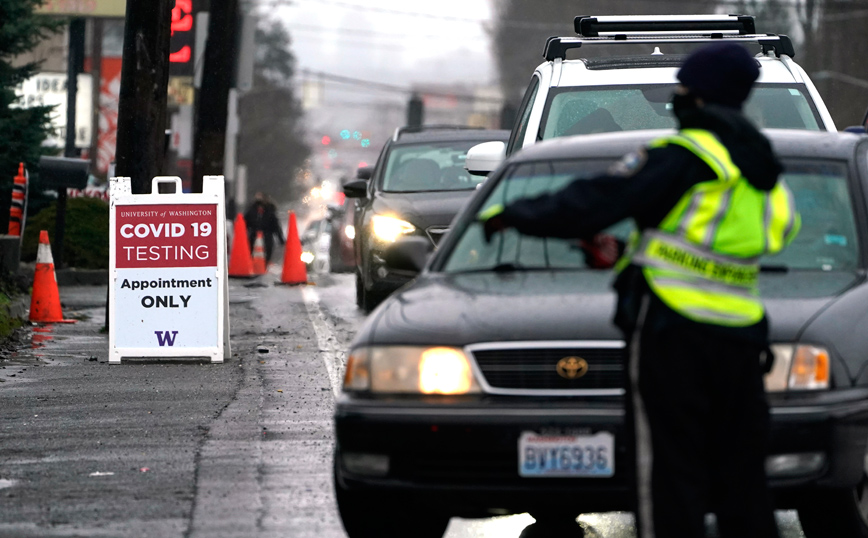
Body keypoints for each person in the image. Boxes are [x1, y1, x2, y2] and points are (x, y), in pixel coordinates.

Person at [481, 42, 799, 538]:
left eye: (682, 87)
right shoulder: (763, 170)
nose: (675, 96)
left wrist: (513, 212)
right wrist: (629, 253)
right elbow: (718, 243)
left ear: (699, 95)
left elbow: (594, 200)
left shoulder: (685, 156)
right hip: (741, 337)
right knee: (743, 479)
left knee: (668, 476)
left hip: (674, 336)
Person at [244, 192, 285, 264]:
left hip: (266, 235)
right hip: (255, 234)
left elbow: (276, 226)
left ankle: (264, 264)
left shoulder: (270, 211)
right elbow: (245, 222)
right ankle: (254, 263)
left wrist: (280, 239)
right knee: (252, 249)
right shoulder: (252, 210)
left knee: (266, 250)